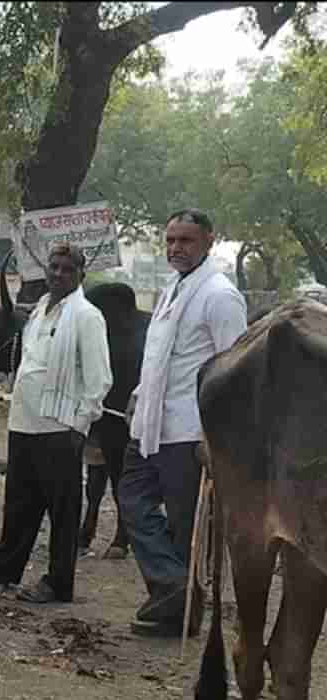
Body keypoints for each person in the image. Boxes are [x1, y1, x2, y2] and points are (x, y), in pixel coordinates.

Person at [120, 209, 247, 637]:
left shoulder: (220, 295)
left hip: (190, 432)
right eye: (171, 239)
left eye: (186, 241)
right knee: (132, 501)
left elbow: (233, 373)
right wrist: (138, 399)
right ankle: (175, 589)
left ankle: (180, 613)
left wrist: (217, 439)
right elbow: (157, 358)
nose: (176, 248)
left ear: (209, 241)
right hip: (149, 423)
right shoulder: (171, 286)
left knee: (182, 525)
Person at [0, 243, 112, 604]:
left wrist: (79, 425)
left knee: (62, 511)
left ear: (81, 275)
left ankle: (59, 583)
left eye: (67, 269)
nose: (59, 274)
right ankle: (4, 567)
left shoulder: (86, 316)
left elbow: (99, 380)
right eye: (54, 267)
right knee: (19, 501)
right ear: (45, 270)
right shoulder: (39, 312)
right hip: (25, 421)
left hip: (60, 428)